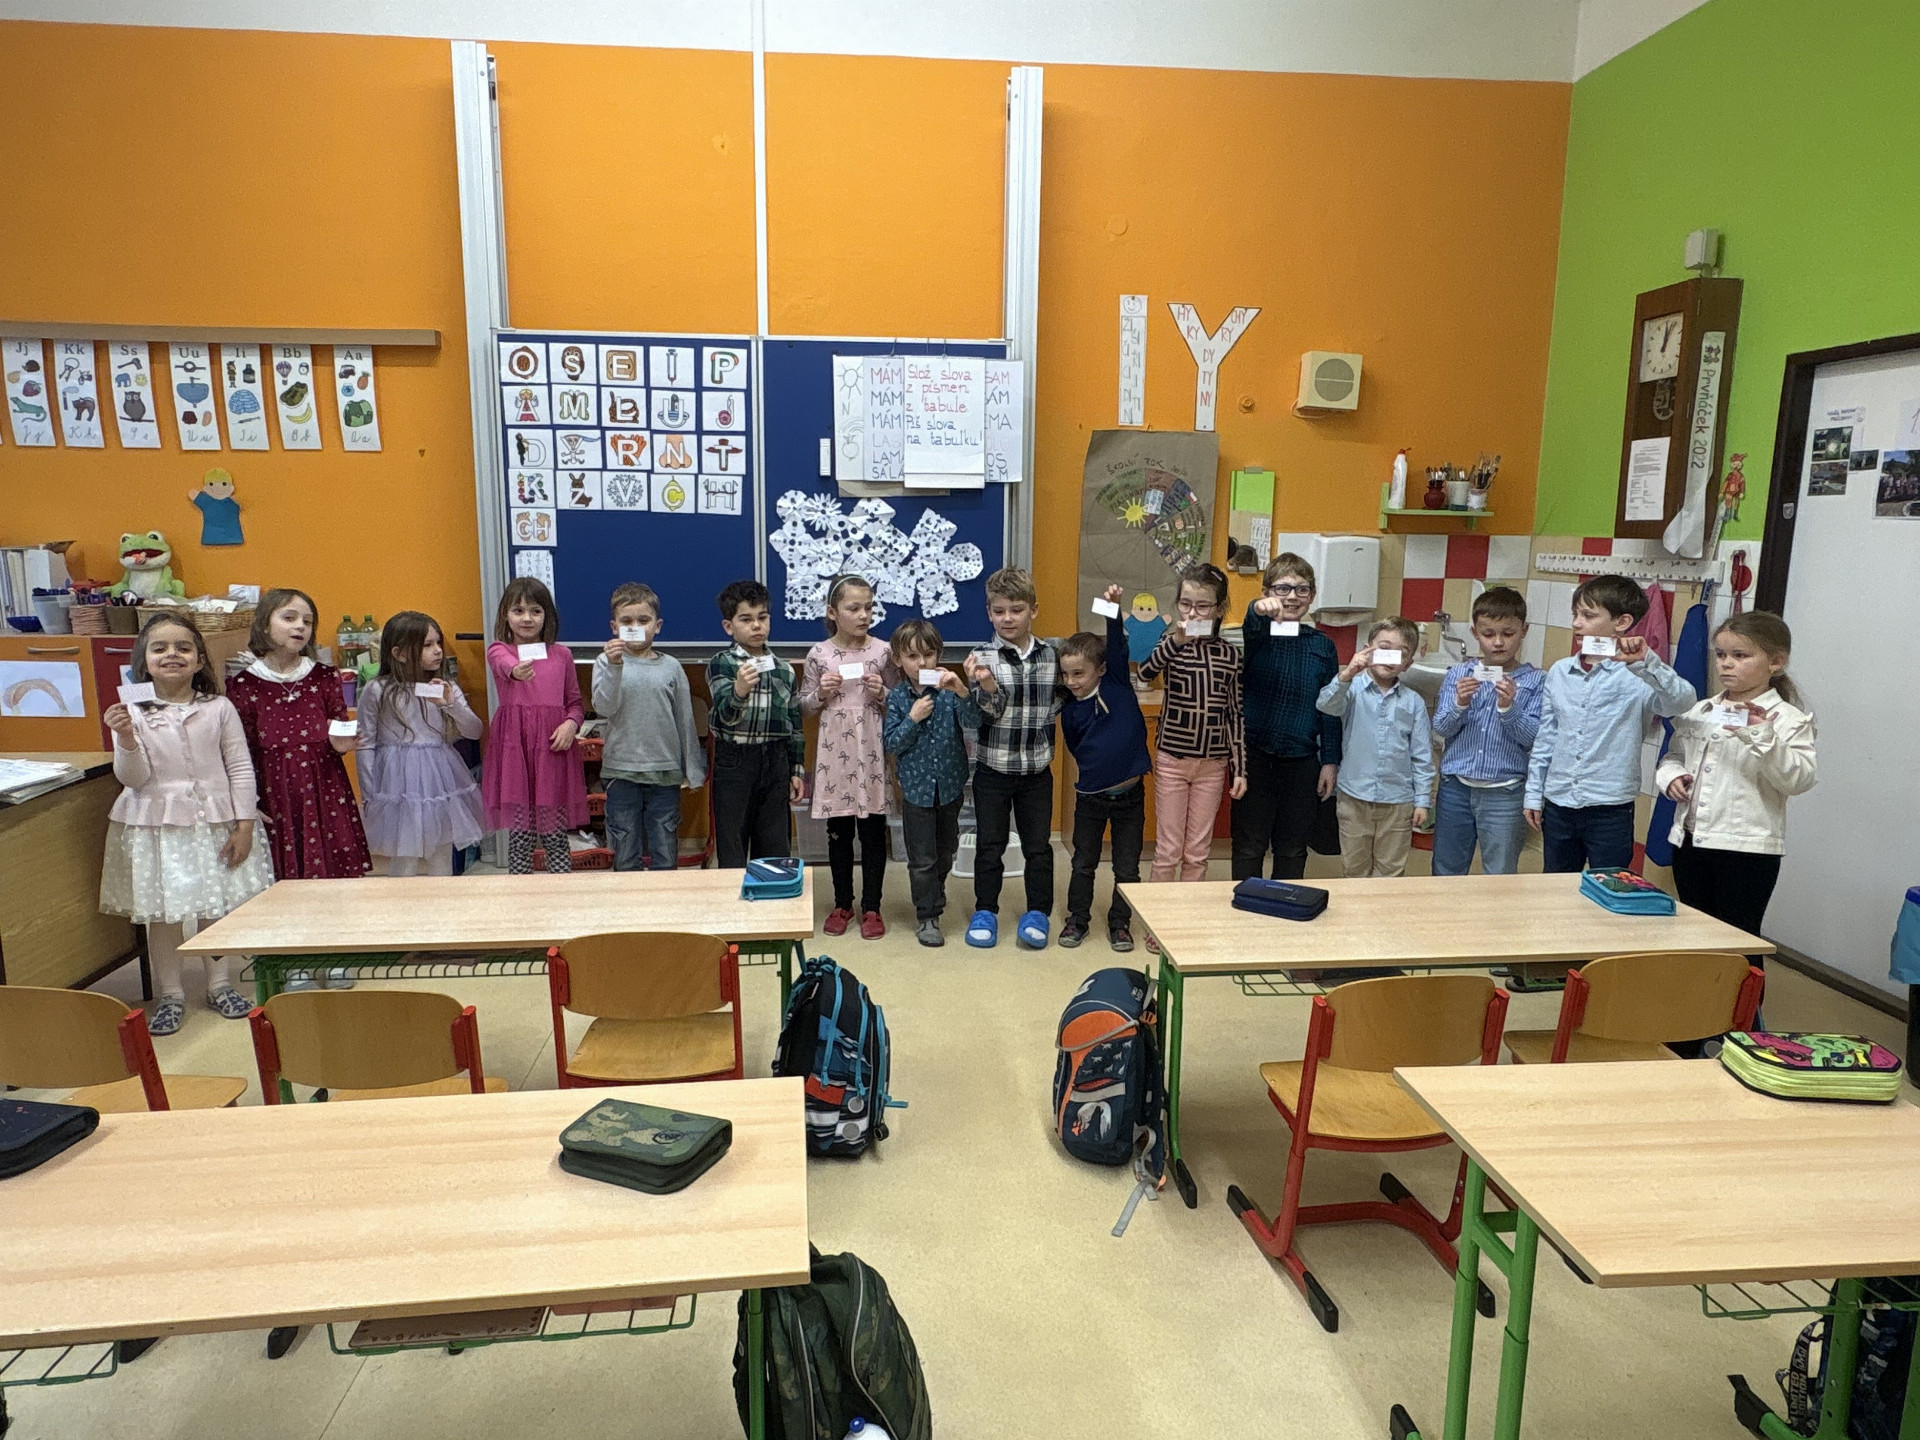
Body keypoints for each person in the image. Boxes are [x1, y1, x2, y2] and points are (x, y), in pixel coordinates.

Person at [99, 615, 273, 1034]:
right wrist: (126, 739)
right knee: (163, 914)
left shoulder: (219, 707)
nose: (171, 654)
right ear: (143, 660)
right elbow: (133, 778)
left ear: (199, 660)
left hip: (215, 822)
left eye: (183, 647)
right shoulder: (132, 711)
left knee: (216, 906)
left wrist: (244, 825)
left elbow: (240, 767)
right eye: (159, 648)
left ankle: (219, 983)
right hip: (157, 827)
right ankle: (171, 993)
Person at [1655, 612, 1816, 949]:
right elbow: (1673, 755)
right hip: (1691, 842)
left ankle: (1745, 988)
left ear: (1775, 662)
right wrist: (1671, 777)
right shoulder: (1701, 710)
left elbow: (1799, 780)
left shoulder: (1788, 719)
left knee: (1737, 943)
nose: (1726, 664)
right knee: (1694, 936)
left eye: (1740, 656)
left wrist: (1762, 735)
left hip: (1746, 849)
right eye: (1721, 655)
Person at [1524, 574, 1696, 871]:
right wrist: (1533, 792)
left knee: (1610, 886)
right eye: (1575, 614)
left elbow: (1683, 702)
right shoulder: (1560, 671)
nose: (1577, 624)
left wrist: (1649, 663)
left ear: (1622, 622)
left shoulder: (1639, 674)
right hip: (1559, 802)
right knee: (1556, 886)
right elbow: (1547, 736)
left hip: (1610, 808)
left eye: (1588, 616)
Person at [227, 587, 371, 894]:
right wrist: (247, 803)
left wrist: (340, 743)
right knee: (283, 880)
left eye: (307, 621)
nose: (300, 627)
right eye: (289, 618)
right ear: (265, 625)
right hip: (275, 791)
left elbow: (338, 727)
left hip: (324, 788)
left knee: (335, 879)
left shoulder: (324, 676)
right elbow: (242, 750)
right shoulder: (243, 684)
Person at [964, 566, 1062, 950]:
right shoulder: (980, 658)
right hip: (993, 770)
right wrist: (987, 685)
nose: (1008, 618)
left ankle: (1037, 912)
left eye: (1017, 610)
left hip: (1036, 771)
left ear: (1033, 610)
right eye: (999, 610)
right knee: (990, 846)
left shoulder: (1051, 654)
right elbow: (984, 716)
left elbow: (1061, 698)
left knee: (1038, 847)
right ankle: (985, 910)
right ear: (989, 612)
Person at [800, 574, 899, 938]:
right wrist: (821, 694)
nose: (863, 615)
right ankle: (842, 903)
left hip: (871, 753)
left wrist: (882, 693)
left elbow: (900, 704)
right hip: (836, 756)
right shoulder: (819, 654)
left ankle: (872, 906)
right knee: (839, 833)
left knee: (873, 833)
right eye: (854, 608)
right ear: (833, 612)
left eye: (869, 608)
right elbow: (804, 707)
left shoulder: (884, 652)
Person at [1234, 553, 1341, 880]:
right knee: (1250, 845)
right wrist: (1257, 608)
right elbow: (1252, 620)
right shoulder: (1258, 634)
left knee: (1293, 847)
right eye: (1282, 588)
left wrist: (1330, 761)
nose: (1292, 596)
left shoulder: (1323, 646)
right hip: (1255, 756)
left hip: (1302, 760)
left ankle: (1285, 904)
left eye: (1301, 589)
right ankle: (1246, 904)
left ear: (1312, 595)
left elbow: (1331, 706)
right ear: (1267, 592)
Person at [1138, 563, 1245, 890]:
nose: (1193, 613)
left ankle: (1188, 910)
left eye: (1202, 606)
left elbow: (1235, 713)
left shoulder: (1230, 654)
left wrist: (1240, 768)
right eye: (1185, 604)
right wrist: (1176, 641)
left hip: (1212, 764)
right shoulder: (1170, 643)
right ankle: (1159, 914)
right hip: (1172, 759)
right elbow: (1145, 673)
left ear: (1220, 609)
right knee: (1168, 850)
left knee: (1197, 852)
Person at [1058, 586, 1153, 950]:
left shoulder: (1115, 684)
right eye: (1066, 675)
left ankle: (1120, 923)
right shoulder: (1070, 710)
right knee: (1083, 862)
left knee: (1127, 868)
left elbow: (1117, 646)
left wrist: (1113, 610)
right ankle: (1077, 919)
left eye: (1079, 673)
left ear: (1100, 669)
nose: (1072, 681)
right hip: (1090, 799)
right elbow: (1075, 747)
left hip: (1130, 797)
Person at [356, 610, 485, 877]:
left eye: (438, 643)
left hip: (440, 777)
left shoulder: (446, 688)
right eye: (428, 645)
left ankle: (441, 898)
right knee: (404, 855)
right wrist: (370, 794)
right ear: (399, 653)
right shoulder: (378, 690)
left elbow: (474, 731)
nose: (438, 650)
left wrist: (450, 705)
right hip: (397, 782)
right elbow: (365, 743)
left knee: (442, 852)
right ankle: (404, 900)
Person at [1429, 586, 1545, 876]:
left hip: (1506, 791)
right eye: (1488, 633)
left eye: (1508, 633)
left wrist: (1509, 708)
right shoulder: (1459, 674)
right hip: (1456, 787)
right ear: (1474, 633)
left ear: (1524, 631)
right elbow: (1440, 727)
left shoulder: (1536, 681)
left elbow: (1533, 738)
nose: (1498, 642)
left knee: (1500, 872)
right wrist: (1459, 703)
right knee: (1446, 869)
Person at [592, 582, 705, 872]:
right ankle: (628, 898)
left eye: (643, 620)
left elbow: (685, 720)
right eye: (627, 621)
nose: (635, 627)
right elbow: (604, 707)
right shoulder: (605, 662)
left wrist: (693, 770)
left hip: (664, 772)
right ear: (614, 627)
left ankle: (665, 897)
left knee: (665, 849)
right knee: (624, 848)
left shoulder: (671, 667)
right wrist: (615, 666)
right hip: (620, 770)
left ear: (657, 626)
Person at [480, 576, 587, 874]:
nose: (527, 618)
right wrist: (515, 670)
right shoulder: (499, 650)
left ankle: (560, 888)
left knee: (555, 835)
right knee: (521, 838)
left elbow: (575, 703)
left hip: (552, 752)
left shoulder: (562, 655)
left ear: (546, 616)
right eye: (518, 610)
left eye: (535, 611)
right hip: (516, 753)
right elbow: (503, 664)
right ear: (506, 615)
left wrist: (570, 724)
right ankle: (521, 892)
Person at [883, 619, 980, 947]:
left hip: (950, 786)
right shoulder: (898, 698)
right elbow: (892, 743)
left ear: (939, 654)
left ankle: (935, 891)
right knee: (922, 857)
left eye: (928, 654)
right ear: (898, 660)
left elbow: (974, 721)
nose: (922, 663)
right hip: (917, 791)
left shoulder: (950, 691)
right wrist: (913, 718)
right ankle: (927, 915)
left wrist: (962, 690)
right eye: (912, 656)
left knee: (946, 849)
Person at [1316, 617, 1434, 878]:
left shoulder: (1413, 702)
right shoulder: (1351, 689)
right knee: (1354, 867)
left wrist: (1422, 801)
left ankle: (1384, 907)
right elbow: (1326, 705)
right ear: (1368, 649)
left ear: (1408, 663)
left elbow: (1422, 756)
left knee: (1391, 870)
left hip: (1398, 801)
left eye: (1400, 653)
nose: (1390, 659)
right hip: (1354, 797)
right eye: (1384, 649)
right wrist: (1347, 674)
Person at [706, 579, 804, 868]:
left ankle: (771, 894)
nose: (756, 626)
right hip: (735, 761)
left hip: (775, 760)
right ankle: (734, 895)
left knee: (775, 845)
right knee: (732, 843)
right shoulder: (722, 663)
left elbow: (794, 725)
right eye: (746, 619)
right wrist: (738, 691)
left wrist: (796, 770)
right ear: (729, 627)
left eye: (762, 617)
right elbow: (724, 718)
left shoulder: (784, 670)